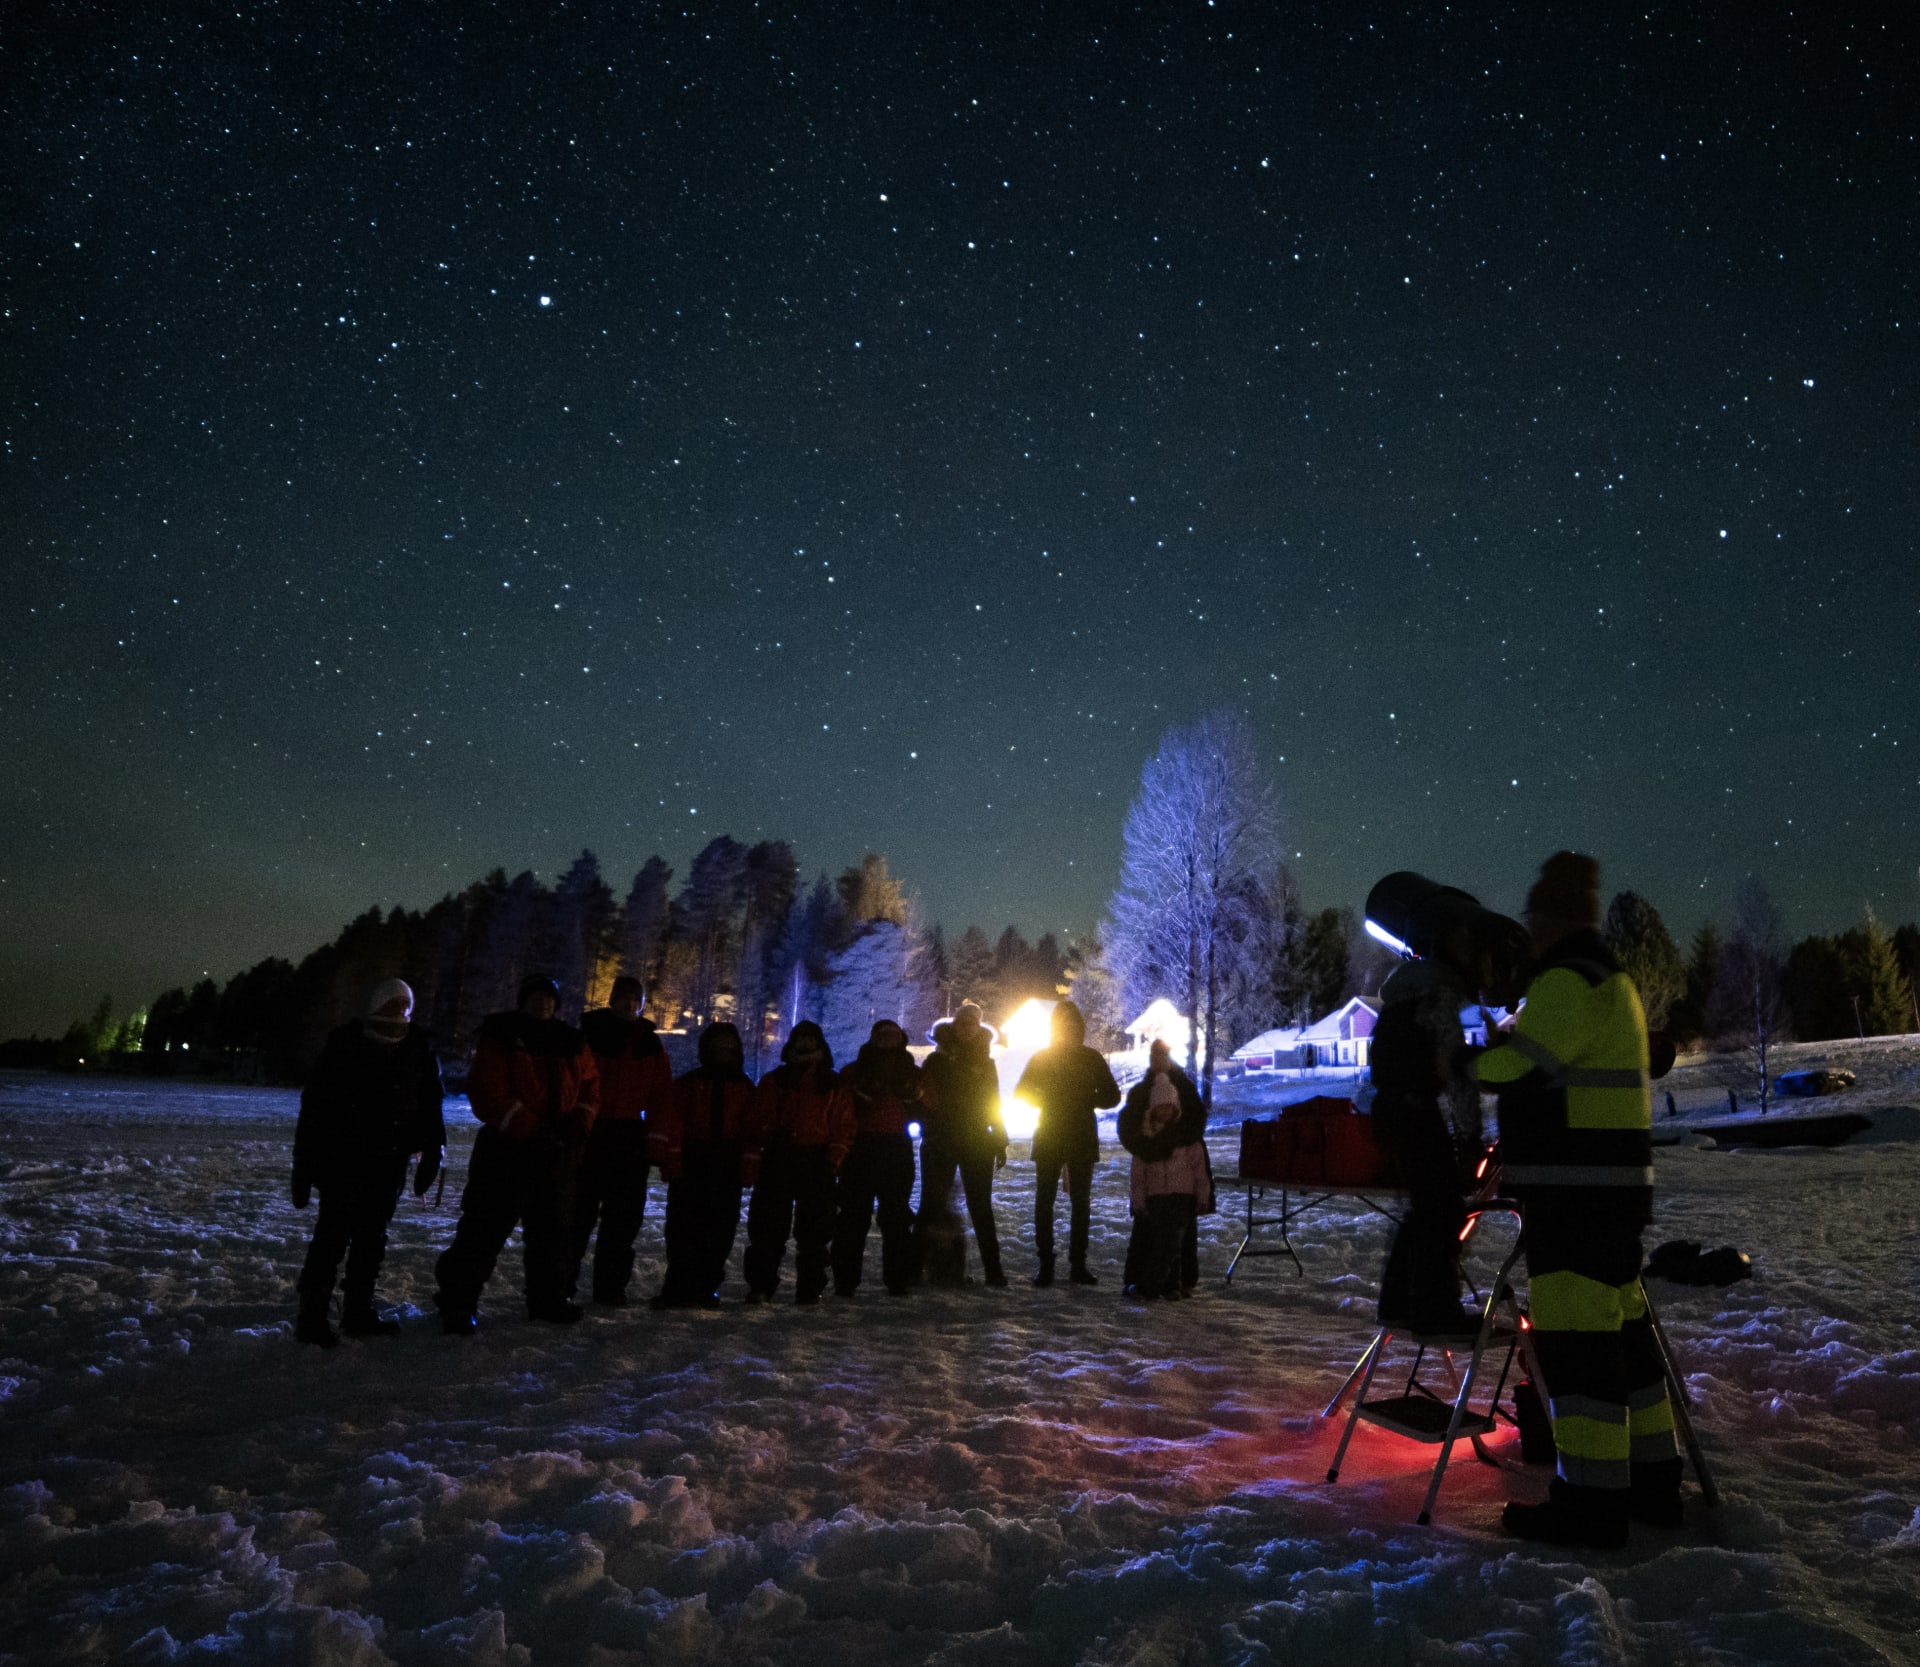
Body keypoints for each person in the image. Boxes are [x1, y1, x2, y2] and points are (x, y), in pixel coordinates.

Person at [1477, 851, 1679, 1548]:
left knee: (1579, 1353)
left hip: (1576, 1196)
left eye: (1533, 915)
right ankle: (1655, 1480)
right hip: (1616, 1192)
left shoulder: (1567, 979)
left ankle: (1590, 1502)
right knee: (1624, 1339)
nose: (1527, 928)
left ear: (1554, 916)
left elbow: (1523, 1065)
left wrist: (1461, 1058)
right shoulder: (1609, 977)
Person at [1364, 877, 1527, 1336]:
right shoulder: (1454, 998)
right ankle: (1436, 1312)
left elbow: (1471, 1050)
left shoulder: (1411, 991)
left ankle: (1398, 1303)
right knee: (1442, 1211)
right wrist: (1471, 1137)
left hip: (1394, 1109)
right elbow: (1467, 1069)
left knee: (1424, 1208)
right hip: (1416, 1110)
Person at [433, 974, 599, 1334]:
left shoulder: (571, 1041)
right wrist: (531, 1128)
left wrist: (578, 1123)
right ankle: (458, 1302)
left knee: (552, 1229)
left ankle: (548, 1299)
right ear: (524, 1001)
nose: (543, 1004)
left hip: (557, 1149)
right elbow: (489, 1092)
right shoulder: (502, 1036)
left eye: (549, 999)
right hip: (506, 1149)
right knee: (485, 1227)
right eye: (537, 998)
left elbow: (590, 1084)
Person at [291, 978, 445, 1346]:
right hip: (343, 1160)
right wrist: (305, 1162)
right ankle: (312, 1317)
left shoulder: (418, 1048)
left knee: (371, 1240)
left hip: (389, 1162)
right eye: (390, 1004)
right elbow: (315, 1109)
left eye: (402, 1005)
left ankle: (357, 1311)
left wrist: (434, 1148)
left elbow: (429, 1107)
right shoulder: (345, 1045)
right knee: (331, 1238)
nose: (397, 1012)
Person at [572, 976, 674, 1306]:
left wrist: (656, 1138)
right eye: (625, 997)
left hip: (630, 1135)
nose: (631, 1004)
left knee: (623, 1220)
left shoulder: (649, 1043)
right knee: (577, 1214)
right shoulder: (588, 1033)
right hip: (591, 1129)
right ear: (613, 998)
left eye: (636, 998)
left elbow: (661, 1095)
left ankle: (610, 1287)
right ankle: (562, 1282)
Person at [649, 1021, 757, 1309]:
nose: (724, 1049)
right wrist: (671, 1158)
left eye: (729, 1044)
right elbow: (673, 1121)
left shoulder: (744, 1087)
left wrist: (748, 1163)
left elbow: (751, 1129)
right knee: (683, 1227)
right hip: (693, 1160)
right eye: (718, 1044)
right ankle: (678, 1287)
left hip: (726, 1162)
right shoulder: (688, 1084)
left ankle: (705, 1287)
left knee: (719, 1229)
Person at [744, 1021, 853, 1304]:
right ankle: (761, 1285)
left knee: (815, 1233)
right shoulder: (775, 1080)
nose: (805, 1044)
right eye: (800, 1039)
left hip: (816, 1159)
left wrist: (833, 1159)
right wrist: (768, 1132)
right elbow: (757, 1118)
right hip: (779, 1157)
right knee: (768, 1229)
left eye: (810, 1039)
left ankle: (809, 1287)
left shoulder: (832, 1083)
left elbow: (843, 1125)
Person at [1015, 1000, 1120, 1286]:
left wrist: (1085, 1099)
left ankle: (1076, 1263)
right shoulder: (1046, 1057)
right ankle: (1047, 1263)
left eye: (1073, 1025)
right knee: (1046, 1201)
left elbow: (1113, 1095)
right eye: (1065, 1025)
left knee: (1079, 1203)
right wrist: (1051, 1101)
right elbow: (1022, 1092)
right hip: (1052, 1132)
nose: (1069, 1030)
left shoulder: (1089, 1058)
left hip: (1078, 1134)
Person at [912, 1003, 1009, 1288]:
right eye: (962, 1024)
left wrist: (1000, 1137)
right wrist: (930, 1128)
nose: (967, 1029)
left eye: (972, 1024)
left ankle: (994, 1270)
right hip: (941, 1139)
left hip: (977, 1139)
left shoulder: (985, 1062)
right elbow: (924, 1097)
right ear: (955, 1027)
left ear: (978, 1028)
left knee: (981, 1207)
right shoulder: (937, 1060)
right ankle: (914, 1267)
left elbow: (993, 1101)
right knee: (931, 1204)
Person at [832, 1019, 921, 1297]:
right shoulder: (854, 1072)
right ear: (873, 1038)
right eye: (883, 1035)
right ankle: (846, 1281)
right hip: (862, 1147)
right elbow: (842, 1106)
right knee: (853, 1217)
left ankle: (897, 1279)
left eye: (893, 1035)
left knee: (896, 1216)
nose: (888, 1040)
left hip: (896, 1146)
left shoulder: (913, 1074)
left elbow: (925, 1108)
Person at [1118, 1040, 1210, 1300]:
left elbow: (1196, 1122)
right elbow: (1127, 1127)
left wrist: (1171, 1142)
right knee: (1150, 1229)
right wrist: (1146, 1148)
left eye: (1162, 1055)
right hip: (1154, 1178)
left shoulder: (1183, 1089)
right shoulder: (1142, 1092)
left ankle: (1176, 1282)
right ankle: (1143, 1279)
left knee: (1178, 1235)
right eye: (1155, 1055)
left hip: (1180, 1179)